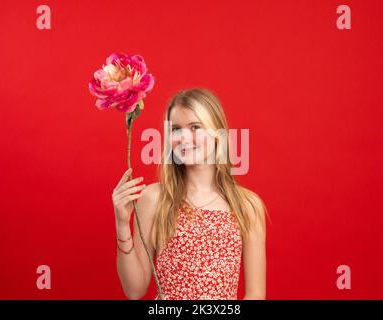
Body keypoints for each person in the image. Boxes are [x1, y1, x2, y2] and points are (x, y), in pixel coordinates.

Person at [112, 88, 269, 300]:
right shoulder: (155, 198)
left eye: (195, 127)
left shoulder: (247, 205)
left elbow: (255, 294)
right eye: (176, 129)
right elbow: (134, 290)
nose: (184, 138)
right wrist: (122, 223)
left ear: (217, 133)